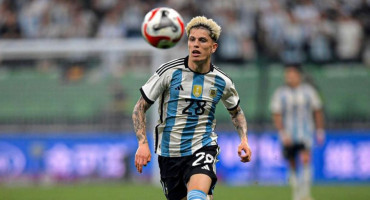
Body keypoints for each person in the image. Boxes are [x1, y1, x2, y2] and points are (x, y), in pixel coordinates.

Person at [132, 16, 252, 200]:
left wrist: (243, 139)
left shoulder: (222, 81)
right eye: (192, 39)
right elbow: (140, 107)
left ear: (213, 47)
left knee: (196, 196)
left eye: (202, 40)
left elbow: (236, 112)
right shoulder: (169, 72)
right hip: (169, 154)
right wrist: (142, 143)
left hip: (202, 146)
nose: (195, 44)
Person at [270, 64, 325, 200]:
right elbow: (276, 114)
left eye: (293, 75)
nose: (290, 78)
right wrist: (282, 133)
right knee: (292, 162)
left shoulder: (309, 92)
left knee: (306, 159)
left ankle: (305, 193)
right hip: (289, 133)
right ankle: (296, 193)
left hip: (305, 132)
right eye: (288, 75)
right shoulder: (281, 93)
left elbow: (317, 111)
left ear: (299, 76)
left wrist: (320, 130)